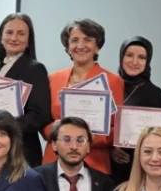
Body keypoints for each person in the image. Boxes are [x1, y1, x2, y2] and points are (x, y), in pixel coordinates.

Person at [44, 19, 124, 174]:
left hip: (93, 163)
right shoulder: (53, 79)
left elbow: (118, 128)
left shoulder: (113, 81)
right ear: (67, 47)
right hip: (54, 162)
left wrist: (88, 137)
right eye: (74, 40)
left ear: (97, 46)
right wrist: (53, 130)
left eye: (87, 40)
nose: (80, 46)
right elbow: (44, 121)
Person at [0, 13, 51, 166]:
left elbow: (40, 115)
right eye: (9, 32)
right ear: (1, 38)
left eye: (21, 34)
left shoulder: (35, 69)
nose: (14, 38)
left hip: (22, 152)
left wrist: (6, 127)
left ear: (29, 41)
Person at [111, 36, 161, 185]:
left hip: (140, 170)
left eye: (141, 57)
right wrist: (110, 148)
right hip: (106, 168)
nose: (134, 62)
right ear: (121, 57)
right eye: (129, 55)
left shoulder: (155, 94)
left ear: (148, 62)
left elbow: (159, 136)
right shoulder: (108, 87)